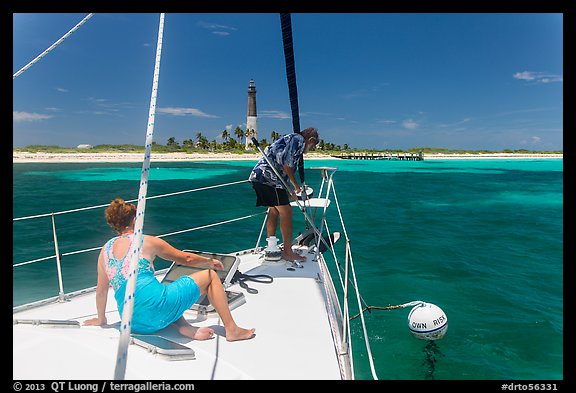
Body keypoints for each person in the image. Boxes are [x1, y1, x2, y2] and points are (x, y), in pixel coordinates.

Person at [83, 198, 255, 342]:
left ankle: (184, 326)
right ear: (135, 220)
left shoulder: (105, 251)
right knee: (209, 277)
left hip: (133, 323)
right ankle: (232, 330)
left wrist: (101, 319)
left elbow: (101, 291)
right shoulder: (146, 241)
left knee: (160, 293)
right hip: (159, 310)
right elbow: (185, 258)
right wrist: (209, 261)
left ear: (114, 224)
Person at [248, 127, 319, 262]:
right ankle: (287, 252)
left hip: (259, 177)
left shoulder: (290, 139)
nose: (310, 149)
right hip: (268, 178)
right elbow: (286, 165)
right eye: (312, 146)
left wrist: (287, 191)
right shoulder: (298, 140)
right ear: (310, 140)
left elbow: (281, 166)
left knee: (274, 210)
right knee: (286, 211)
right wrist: (296, 186)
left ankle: (271, 247)